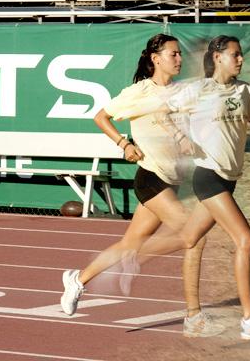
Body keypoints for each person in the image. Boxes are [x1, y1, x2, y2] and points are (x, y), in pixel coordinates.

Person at [60, 33, 223, 338]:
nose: (178, 60)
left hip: (171, 181)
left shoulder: (180, 92)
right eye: (172, 54)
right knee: (194, 236)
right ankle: (194, 317)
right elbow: (101, 116)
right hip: (150, 178)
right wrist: (124, 143)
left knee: (128, 244)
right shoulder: (138, 92)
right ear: (155, 58)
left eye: (179, 54)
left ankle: (78, 280)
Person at [136, 35, 250, 340]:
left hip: (230, 178)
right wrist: (181, 138)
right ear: (217, 57)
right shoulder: (199, 89)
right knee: (246, 240)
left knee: (189, 237)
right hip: (209, 176)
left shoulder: (246, 90)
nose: (241, 59)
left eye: (241, 55)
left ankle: (131, 258)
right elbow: (164, 114)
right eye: (235, 55)